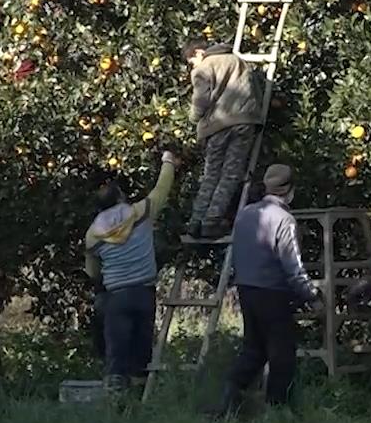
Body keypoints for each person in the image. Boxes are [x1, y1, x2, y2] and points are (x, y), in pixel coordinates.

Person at [212, 164, 321, 417]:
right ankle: (277, 409)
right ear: (290, 190)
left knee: (254, 347)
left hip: (246, 288)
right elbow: (292, 265)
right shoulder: (284, 219)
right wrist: (311, 295)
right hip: (273, 291)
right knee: (281, 351)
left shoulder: (246, 214)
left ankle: (229, 399)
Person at [84, 150, 178, 394]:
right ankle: (139, 395)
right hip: (145, 293)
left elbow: (92, 272)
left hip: (117, 296)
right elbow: (162, 188)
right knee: (141, 348)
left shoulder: (93, 235)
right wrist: (168, 161)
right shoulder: (140, 212)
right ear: (120, 197)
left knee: (116, 351)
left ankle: (116, 399)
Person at [183, 39, 262, 240]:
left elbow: (201, 100)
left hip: (217, 126)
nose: (193, 66)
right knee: (231, 174)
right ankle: (211, 220)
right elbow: (254, 89)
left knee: (212, 175)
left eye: (192, 61)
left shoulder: (204, 68)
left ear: (199, 52)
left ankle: (198, 221)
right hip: (244, 121)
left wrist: (193, 118)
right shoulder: (237, 61)